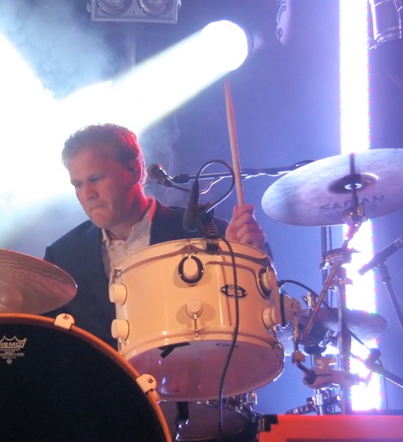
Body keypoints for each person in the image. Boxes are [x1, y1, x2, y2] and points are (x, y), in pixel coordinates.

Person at [43, 123, 269, 348]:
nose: (87, 195)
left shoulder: (207, 232)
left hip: (196, 379)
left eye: (96, 179)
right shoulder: (62, 258)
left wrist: (245, 258)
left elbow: (256, 313)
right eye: (78, 184)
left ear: (135, 170)